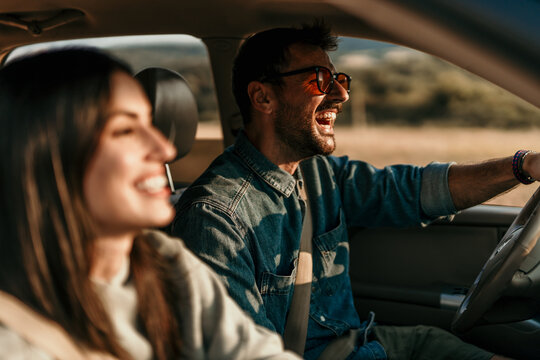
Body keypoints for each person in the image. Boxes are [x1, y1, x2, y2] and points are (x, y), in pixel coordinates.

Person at [171, 22, 532, 360]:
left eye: (338, 78)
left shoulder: (317, 172)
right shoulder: (214, 217)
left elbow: (411, 191)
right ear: (263, 97)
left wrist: (523, 166)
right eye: (319, 80)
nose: (341, 94)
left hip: (362, 345)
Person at [0, 48, 299, 360]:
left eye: (150, 123)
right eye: (126, 130)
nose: (164, 148)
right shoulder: (11, 342)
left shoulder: (166, 266)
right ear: (44, 158)